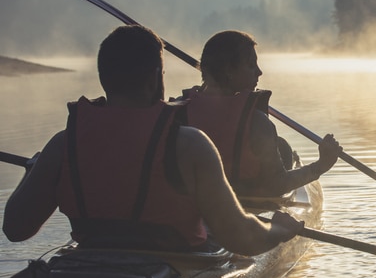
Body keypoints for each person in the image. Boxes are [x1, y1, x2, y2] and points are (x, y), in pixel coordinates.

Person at [2, 25, 302, 255]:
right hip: (176, 266)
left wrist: (33, 171)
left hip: (88, 267)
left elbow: (15, 229)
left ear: (104, 77)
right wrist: (277, 229)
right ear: (155, 77)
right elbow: (242, 238)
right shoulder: (190, 144)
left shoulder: (62, 144)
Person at [178, 30, 342, 198]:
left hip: (191, 202)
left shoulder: (176, 111)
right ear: (229, 71)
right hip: (244, 206)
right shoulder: (257, 122)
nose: (259, 72)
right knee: (284, 148)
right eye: (251, 65)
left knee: (282, 145)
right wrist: (321, 165)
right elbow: (277, 185)